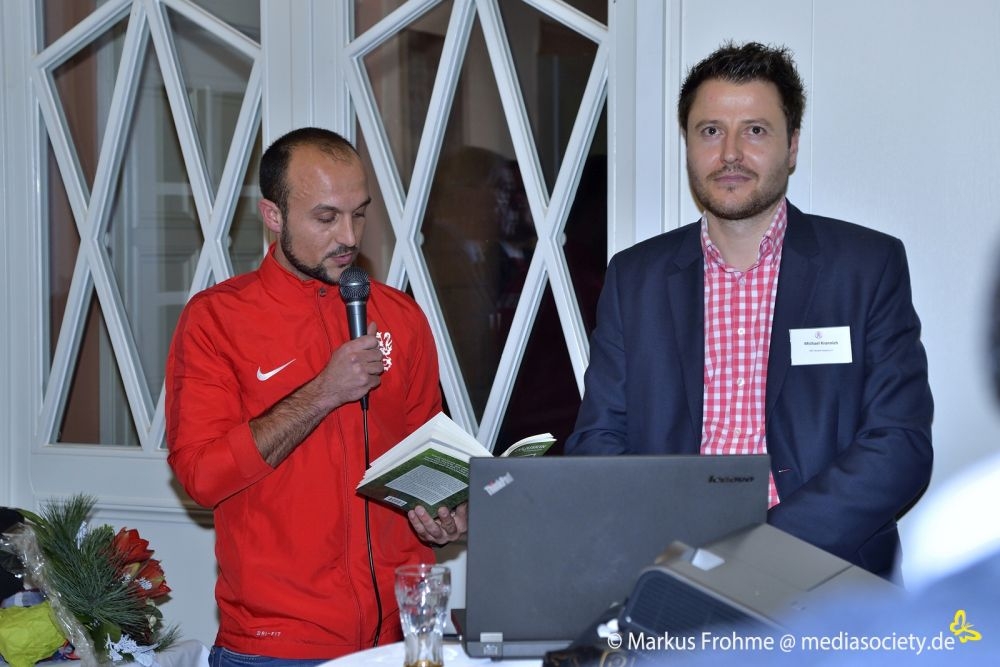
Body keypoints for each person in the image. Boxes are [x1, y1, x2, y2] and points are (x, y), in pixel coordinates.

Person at [566, 42, 933, 580]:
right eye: (710, 131)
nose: (731, 153)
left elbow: (898, 444)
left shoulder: (865, 267)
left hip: (826, 572)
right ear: (688, 144)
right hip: (672, 567)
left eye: (755, 130)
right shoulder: (634, 277)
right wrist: (683, 548)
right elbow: (598, 440)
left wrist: (760, 551)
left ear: (792, 146)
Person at [165, 127, 466, 665]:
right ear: (273, 216)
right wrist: (324, 392)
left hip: (402, 638)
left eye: (359, 214)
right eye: (326, 218)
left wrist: (447, 512)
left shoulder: (402, 317)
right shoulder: (216, 319)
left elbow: (427, 456)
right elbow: (202, 477)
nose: (348, 236)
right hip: (275, 648)